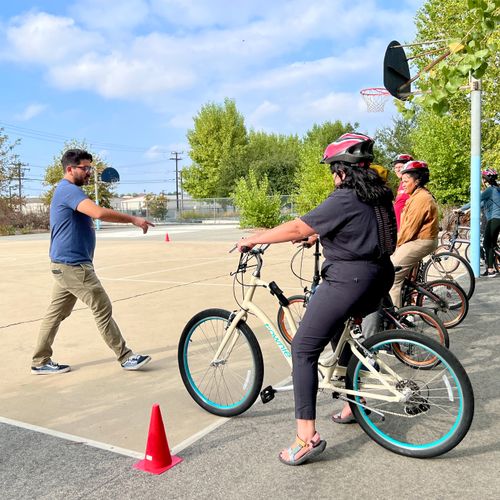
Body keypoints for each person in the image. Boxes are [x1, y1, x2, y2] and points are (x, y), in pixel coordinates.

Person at [236, 133, 396, 465]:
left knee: (303, 349)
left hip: (348, 281)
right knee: (344, 338)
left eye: (333, 170)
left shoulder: (345, 196)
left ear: (342, 170)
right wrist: (318, 235)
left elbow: (296, 227)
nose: (333, 176)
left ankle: (305, 437)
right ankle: (355, 403)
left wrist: (255, 239)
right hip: (379, 276)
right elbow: (356, 228)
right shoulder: (378, 194)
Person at [32, 149, 154, 374]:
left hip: (64, 265)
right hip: (74, 266)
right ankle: (126, 356)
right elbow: (98, 213)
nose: (89, 172)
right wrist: (133, 219)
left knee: (56, 313)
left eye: (90, 168)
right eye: (85, 168)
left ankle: (40, 361)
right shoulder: (68, 191)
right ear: (70, 169)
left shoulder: (67, 191)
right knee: (102, 306)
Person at [389, 161, 439, 308]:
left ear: (417, 180)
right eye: (402, 181)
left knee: (392, 278)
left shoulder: (421, 199)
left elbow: (409, 229)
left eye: (406, 181)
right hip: (419, 240)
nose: (403, 184)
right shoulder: (417, 195)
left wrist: (394, 246)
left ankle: (395, 320)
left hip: (421, 241)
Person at [459, 168, 500, 277]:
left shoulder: (490, 190)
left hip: (494, 219)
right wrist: (468, 210)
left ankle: (490, 270)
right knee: (493, 244)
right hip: (497, 219)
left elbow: (475, 200)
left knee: (487, 244)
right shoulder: (496, 189)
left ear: (485, 180)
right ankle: (493, 266)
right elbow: (481, 204)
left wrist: (461, 209)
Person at [392, 154, 414, 230]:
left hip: (408, 229)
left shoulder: (412, 185)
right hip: (400, 229)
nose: (397, 170)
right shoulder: (402, 184)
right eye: (395, 167)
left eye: (400, 167)